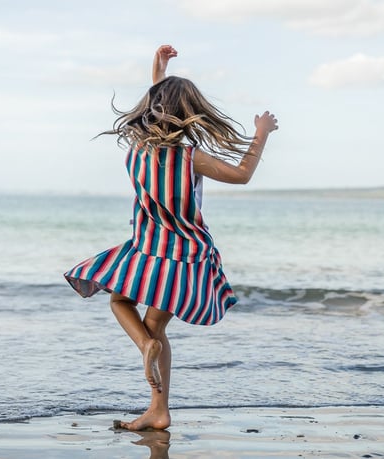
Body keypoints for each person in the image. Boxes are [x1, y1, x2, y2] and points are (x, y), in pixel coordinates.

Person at [64, 44, 278, 431]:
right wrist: (260, 135)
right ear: (188, 115)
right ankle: (158, 404)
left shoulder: (137, 149)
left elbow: (161, 106)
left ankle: (151, 374)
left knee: (118, 301)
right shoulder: (191, 157)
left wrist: (158, 73)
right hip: (187, 257)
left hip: (147, 250)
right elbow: (243, 174)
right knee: (156, 326)